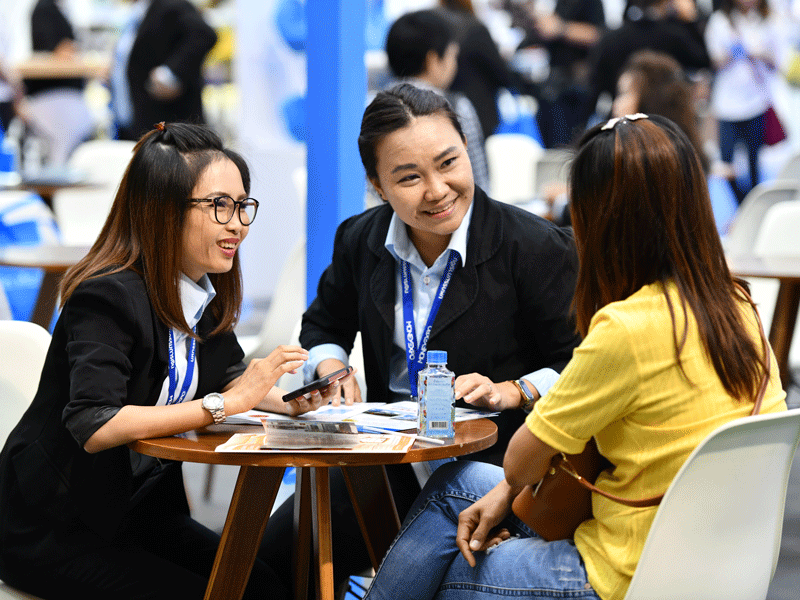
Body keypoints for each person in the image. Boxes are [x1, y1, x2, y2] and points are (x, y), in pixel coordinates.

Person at [359, 113, 787, 600]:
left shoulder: (625, 328)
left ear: (599, 219)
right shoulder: (739, 305)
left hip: (624, 572)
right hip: (729, 563)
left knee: (454, 559)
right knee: (458, 487)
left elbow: (521, 460)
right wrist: (505, 492)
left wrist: (511, 476)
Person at [0, 122, 348, 599]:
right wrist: (221, 406)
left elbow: (229, 376)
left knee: (261, 585)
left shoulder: (202, 291)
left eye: (243, 206)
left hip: (139, 512)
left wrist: (287, 403)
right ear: (163, 211)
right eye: (220, 206)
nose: (238, 224)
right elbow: (94, 423)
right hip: (52, 527)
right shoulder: (106, 296)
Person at [259, 82, 581, 593]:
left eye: (449, 163)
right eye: (409, 177)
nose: (437, 190)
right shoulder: (361, 240)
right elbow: (324, 324)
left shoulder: (536, 247)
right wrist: (329, 367)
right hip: (388, 461)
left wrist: (515, 390)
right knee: (274, 558)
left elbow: (581, 363)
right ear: (378, 185)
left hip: (492, 470)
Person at [385, 9, 490, 192]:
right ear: (433, 60)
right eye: (452, 56)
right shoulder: (454, 106)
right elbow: (477, 181)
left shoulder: (371, 108)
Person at [582, 0, 710, 126]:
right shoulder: (675, 35)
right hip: (666, 123)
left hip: (623, 124)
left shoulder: (610, 39)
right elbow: (703, 60)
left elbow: (595, 87)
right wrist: (690, 20)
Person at [704, 0, 781, 203]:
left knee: (755, 159)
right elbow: (713, 62)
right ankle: (742, 202)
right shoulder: (719, 22)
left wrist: (758, 53)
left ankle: (756, 203)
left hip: (756, 102)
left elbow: (777, 62)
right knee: (726, 161)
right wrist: (732, 53)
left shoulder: (766, 21)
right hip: (727, 105)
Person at [111, 0, 217, 141]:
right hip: (135, 121)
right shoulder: (136, 14)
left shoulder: (171, 4)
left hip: (168, 124)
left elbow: (203, 34)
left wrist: (171, 74)